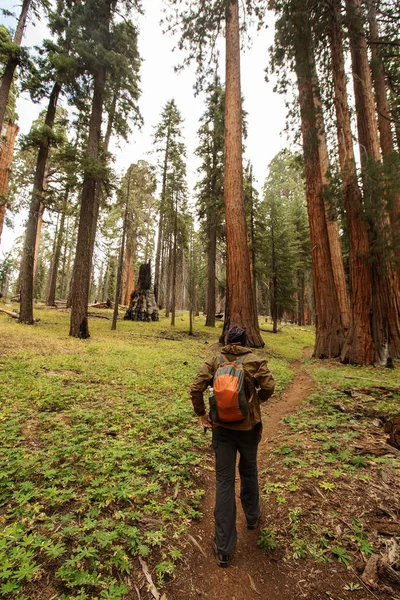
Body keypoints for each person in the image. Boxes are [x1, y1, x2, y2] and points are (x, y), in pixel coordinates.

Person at [190, 326, 275, 568]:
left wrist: (201, 415)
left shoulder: (214, 361)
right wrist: (256, 400)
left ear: (227, 341)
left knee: (224, 481)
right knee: (249, 471)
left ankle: (224, 549)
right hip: (249, 430)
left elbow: (196, 388)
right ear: (245, 341)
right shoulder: (255, 360)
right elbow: (269, 387)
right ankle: (252, 517)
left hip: (222, 431)